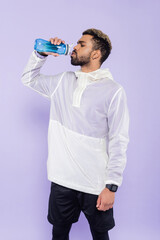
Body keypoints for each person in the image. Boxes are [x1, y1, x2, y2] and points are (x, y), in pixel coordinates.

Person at [21, 28, 129, 240]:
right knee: (59, 234)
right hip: (61, 180)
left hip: (95, 184)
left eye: (82, 44)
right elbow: (28, 79)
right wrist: (41, 55)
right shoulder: (63, 81)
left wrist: (112, 186)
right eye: (76, 43)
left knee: (100, 235)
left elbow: (119, 139)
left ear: (96, 54)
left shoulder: (114, 90)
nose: (74, 47)